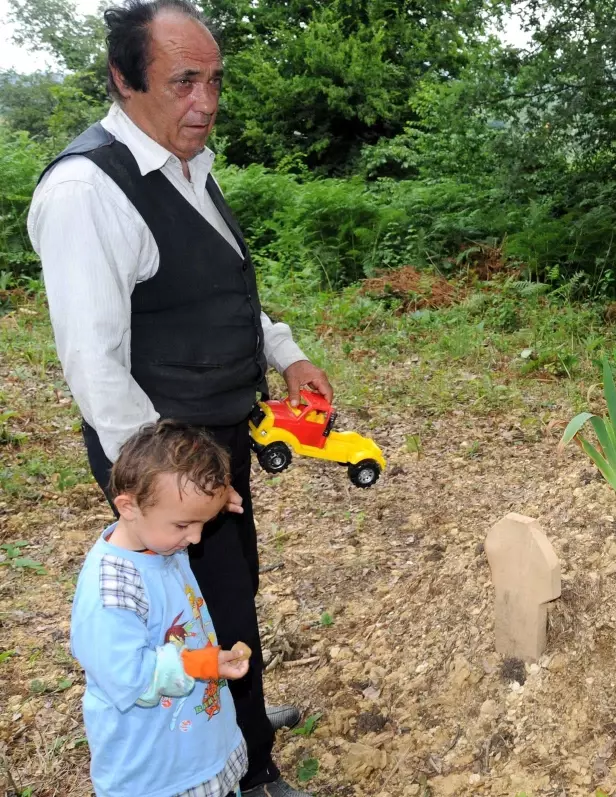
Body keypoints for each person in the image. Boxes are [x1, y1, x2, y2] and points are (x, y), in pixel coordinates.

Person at [26, 1, 329, 793]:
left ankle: (241, 714)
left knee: (228, 588)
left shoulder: (188, 162)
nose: (206, 103)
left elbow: (216, 288)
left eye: (215, 81)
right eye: (183, 81)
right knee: (190, 599)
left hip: (216, 431)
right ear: (125, 80)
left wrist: (284, 352)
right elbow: (94, 363)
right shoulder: (88, 190)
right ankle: (249, 770)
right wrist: (171, 483)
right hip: (161, 453)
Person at [71, 421, 252, 797]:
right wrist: (205, 664)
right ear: (128, 507)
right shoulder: (112, 588)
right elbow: (129, 676)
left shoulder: (159, 542)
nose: (196, 537)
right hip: (157, 772)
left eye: (205, 522)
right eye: (184, 524)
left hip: (199, 750)